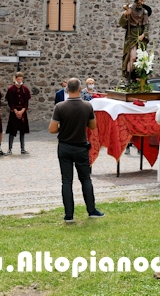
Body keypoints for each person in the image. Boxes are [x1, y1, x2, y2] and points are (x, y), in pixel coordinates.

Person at [49, 78, 104, 223]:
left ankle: (69, 215)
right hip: (80, 146)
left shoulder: (60, 107)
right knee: (86, 179)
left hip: (65, 146)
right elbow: (93, 126)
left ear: (67, 89)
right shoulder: (87, 106)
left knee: (66, 181)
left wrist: (65, 127)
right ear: (80, 89)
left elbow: (52, 129)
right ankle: (91, 210)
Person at [119, 0, 151, 81]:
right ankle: (128, 78)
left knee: (140, 58)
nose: (142, 3)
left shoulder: (144, 12)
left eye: (143, 1)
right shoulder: (129, 9)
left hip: (141, 35)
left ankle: (137, 77)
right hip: (131, 35)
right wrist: (125, 14)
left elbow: (147, 25)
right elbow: (122, 23)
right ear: (136, 0)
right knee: (131, 57)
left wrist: (143, 35)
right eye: (141, 1)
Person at [6, 72, 31, 155]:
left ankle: (23, 148)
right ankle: (10, 148)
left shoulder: (25, 89)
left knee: (22, 131)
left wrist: (22, 111)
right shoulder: (11, 89)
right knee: (12, 131)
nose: (19, 81)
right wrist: (15, 111)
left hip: (22, 111)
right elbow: (10, 102)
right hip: (14, 112)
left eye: (21, 79)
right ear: (15, 79)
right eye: (18, 79)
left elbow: (26, 102)